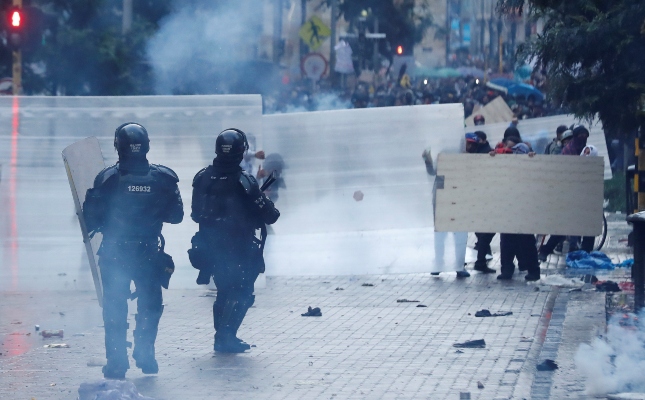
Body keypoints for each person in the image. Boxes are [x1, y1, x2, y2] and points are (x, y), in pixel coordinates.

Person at [82, 123, 184, 379]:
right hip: (148, 252)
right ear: (147, 145)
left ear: (118, 146)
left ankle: (117, 362)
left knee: (115, 307)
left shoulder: (107, 178)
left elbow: (90, 221)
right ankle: (145, 354)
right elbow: (177, 216)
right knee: (151, 304)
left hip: (115, 252)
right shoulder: (164, 178)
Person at [190, 128, 280, 353]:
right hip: (237, 248)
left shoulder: (202, 177)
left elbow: (195, 214)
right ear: (241, 152)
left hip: (210, 246)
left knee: (223, 292)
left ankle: (223, 337)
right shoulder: (244, 181)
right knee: (241, 293)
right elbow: (271, 215)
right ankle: (225, 337)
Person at [489, 141, 541, 281]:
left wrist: (533, 159)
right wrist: (491, 158)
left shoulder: (529, 166)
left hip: (524, 209)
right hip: (508, 208)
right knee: (507, 241)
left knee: (526, 242)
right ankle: (507, 269)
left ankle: (533, 270)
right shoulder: (506, 166)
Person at [464, 133, 496, 274]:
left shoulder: (484, 154)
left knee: (486, 232)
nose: (469, 146)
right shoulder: (465, 156)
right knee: (483, 232)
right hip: (473, 199)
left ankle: (480, 261)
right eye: (467, 143)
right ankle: (480, 261)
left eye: (471, 144)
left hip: (484, 199)